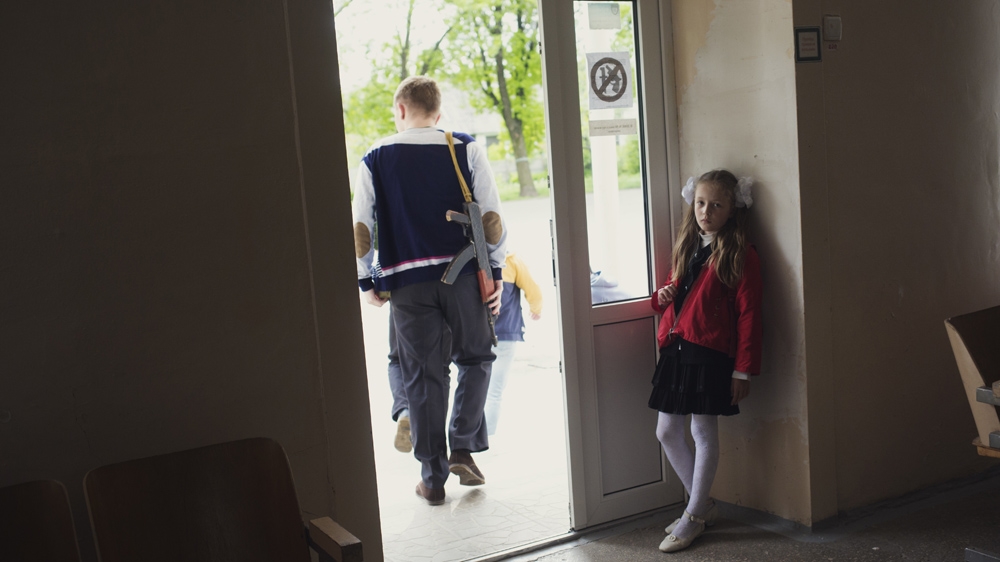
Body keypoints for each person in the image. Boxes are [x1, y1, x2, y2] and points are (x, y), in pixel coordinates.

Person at [353, 76, 506, 506]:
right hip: (461, 275)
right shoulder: (465, 146)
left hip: (407, 283)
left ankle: (432, 479)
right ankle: (462, 445)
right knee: (476, 358)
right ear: (438, 114)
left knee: (423, 375)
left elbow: (361, 227)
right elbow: (491, 215)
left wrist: (367, 280)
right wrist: (494, 269)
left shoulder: (375, 156)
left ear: (400, 109)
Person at [648, 169, 762, 553]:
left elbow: (749, 315)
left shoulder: (741, 253)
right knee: (666, 431)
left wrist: (742, 369)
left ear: (733, 209)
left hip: (711, 355)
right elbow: (673, 292)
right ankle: (705, 507)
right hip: (677, 349)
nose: (706, 211)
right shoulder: (688, 244)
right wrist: (661, 297)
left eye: (716, 205)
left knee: (702, 433)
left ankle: (694, 515)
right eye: (700, 203)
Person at [484, 252, 542, 436]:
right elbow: (533, 290)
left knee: (474, 387)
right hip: (506, 333)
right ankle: (488, 436)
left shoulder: (475, 260)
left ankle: (471, 436)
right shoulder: (512, 261)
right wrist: (536, 309)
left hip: (479, 334)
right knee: (495, 391)